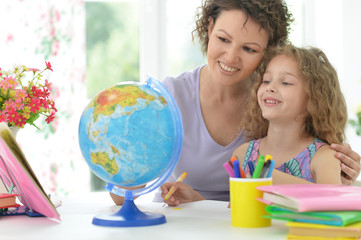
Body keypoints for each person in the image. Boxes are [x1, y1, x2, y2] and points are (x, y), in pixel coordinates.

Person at [111, 0, 361, 206]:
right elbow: (121, 196)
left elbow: (328, 193)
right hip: (185, 218)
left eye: (249, 49)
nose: (231, 57)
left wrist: (343, 171)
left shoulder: (272, 103)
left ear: (268, 51)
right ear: (209, 29)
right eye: (223, 39)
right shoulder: (169, 97)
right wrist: (126, 154)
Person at [233, 44, 346, 185]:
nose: (270, 88)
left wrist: (269, 177)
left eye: (286, 83)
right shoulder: (243, 155)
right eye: (266, 80)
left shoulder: (324, 157)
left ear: (314, 99)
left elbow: (331, 201)